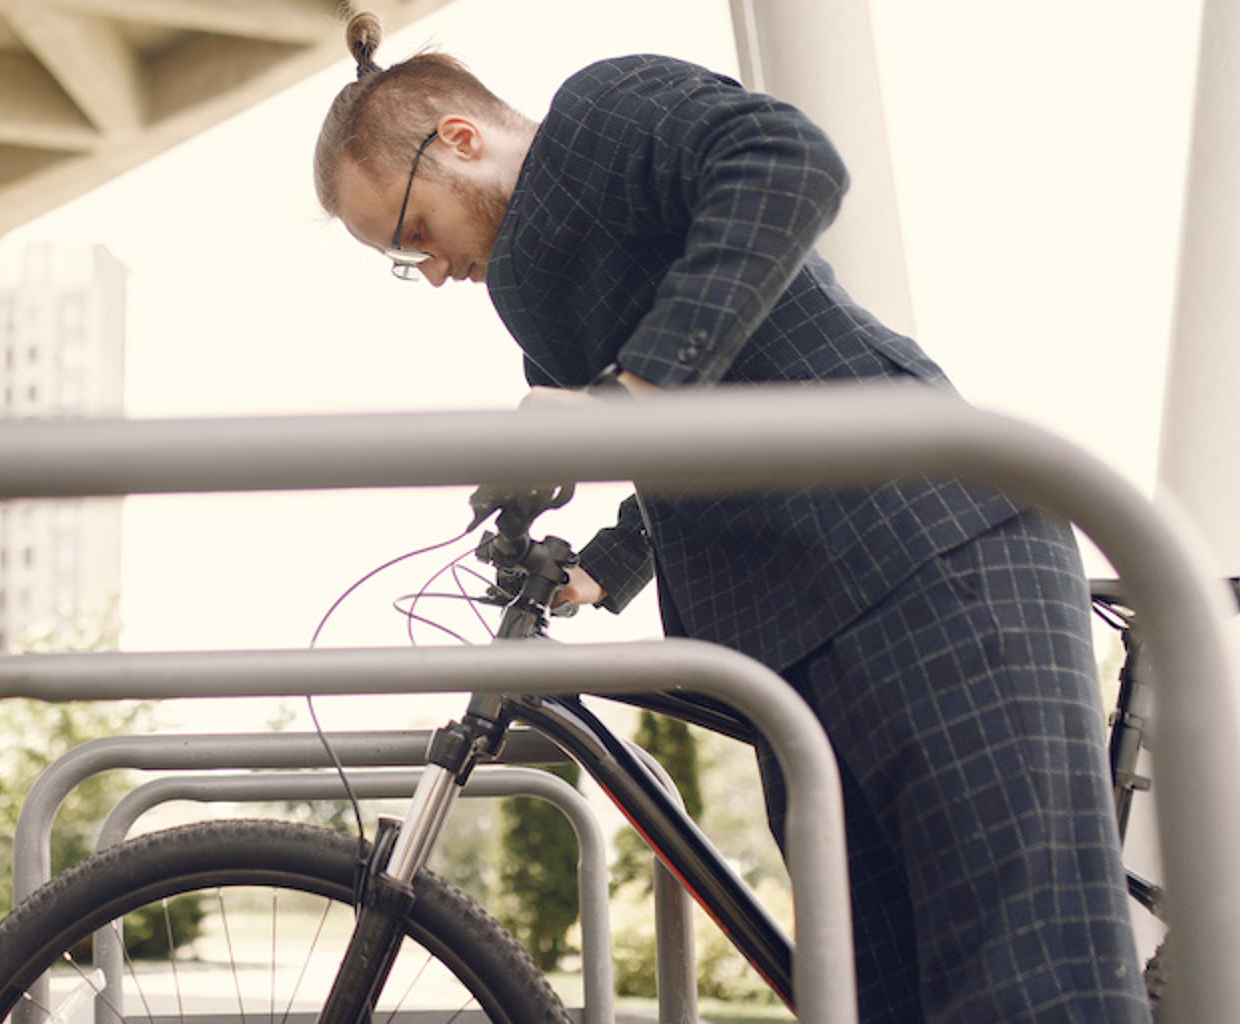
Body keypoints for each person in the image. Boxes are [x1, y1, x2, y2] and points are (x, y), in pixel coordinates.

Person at [313, 12, 1148, 1024]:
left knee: (1020, 984)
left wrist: (632, 391)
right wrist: (601, 563)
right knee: (872, 998)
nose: (430, 270)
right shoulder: (530, 295)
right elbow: (668, 447)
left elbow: (787, 161)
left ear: (456, 138)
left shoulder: (602, 109)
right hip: (789, 641)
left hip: (924, 558)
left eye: (411, 235)